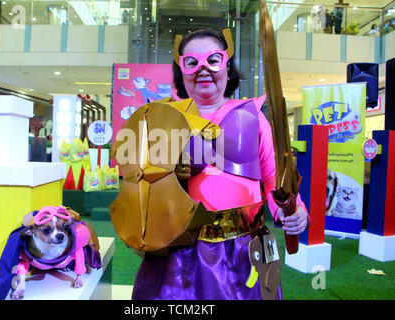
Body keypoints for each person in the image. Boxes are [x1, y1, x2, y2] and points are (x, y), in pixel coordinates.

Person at [131, 29, 310, 300]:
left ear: (227, 66)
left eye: (213, 59)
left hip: (245, 248)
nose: (203, 69)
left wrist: (293, 211)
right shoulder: (161, 119)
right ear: (181, 70)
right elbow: (139, 188)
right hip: (180, 253)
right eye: (192, 62)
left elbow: (274, 178)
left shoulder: (254, 116)